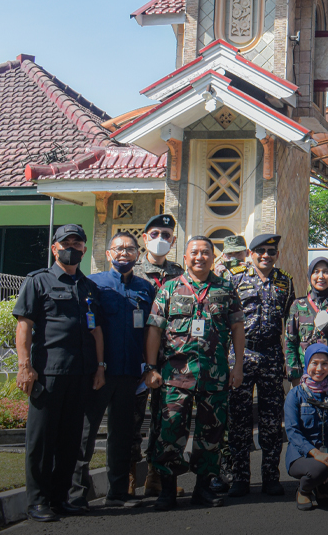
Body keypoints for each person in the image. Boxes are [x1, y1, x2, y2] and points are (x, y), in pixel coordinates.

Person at [142, 235, 245, 511]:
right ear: (185, 257)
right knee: (170, 430)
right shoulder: (170, 289)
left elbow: (237, 328)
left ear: (214, 257)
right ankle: (167, 490)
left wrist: (238, 366)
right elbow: (154, 328)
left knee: (211, 433)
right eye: (194, 253)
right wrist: (151, 368)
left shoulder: (225, 288)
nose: (200, 257)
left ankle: (203, 488)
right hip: (176, 375)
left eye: (205, 253)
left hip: (215, 375)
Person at [13, 224, 105, 522]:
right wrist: (25, 367)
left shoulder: (88, 287)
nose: (72, 247)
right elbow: (24, 325)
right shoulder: (38, 282)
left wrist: (100, 366)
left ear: (84, 249)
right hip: (48, 374)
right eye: (66, 243)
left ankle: (60, 497)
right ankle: (37, 501)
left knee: (70, 441)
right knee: (41, 441)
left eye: (77, 243)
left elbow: (97, 330)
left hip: (80, 373)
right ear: (54, 248)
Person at [70, 231, 155, 509]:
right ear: (108, 254)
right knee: (86, 434)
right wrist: (95, 367)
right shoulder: (93, 284)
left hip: (130, 373)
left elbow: (150, 332)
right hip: (98, 373)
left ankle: (118, 493)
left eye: (130, 249)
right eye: (118, 249)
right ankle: (76, 495)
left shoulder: (145, 288)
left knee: (122, 435)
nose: (123, 253)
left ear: (138, 255)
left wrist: (148, 365)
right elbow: (87, 328)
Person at [225, 234, 295, 497]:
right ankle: (241, 477)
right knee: (239, 419)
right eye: (261, 251)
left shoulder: (284, 282)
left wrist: (289, 359)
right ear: (250, 253)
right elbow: (227, 320)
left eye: (271, 251)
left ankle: (270, 476)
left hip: (272, 356)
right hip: (242, 354)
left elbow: (290, 323)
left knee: (271, 419)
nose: (266, 255)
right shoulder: (236, 278)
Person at [132, 213, 184, 499]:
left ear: (173, 240)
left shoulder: (179, 274)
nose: (160, 240)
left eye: (166, 235)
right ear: (145, 238)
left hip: (171, 360)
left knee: (165, 420)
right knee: (132, 418)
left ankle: (156, 475)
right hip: (135, 357)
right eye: (155, 234)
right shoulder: (132, 271)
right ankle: (128, 476)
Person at [284, 344, 328, 510]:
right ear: (307, 365)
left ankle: (321, 487)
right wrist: (316, 454)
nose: (319, 368)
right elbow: (292, 431)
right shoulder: (295, 395)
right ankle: (304, 490)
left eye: (324, 363)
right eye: (314, 363)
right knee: (318, 469)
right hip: (301, 455)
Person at [285, 258, 328, 388]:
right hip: (304, 378)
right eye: (316, 272)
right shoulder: (298, 305)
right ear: (309, 275)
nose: (321, 276)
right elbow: (290, 341)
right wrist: (294, 374)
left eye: (326, 272)